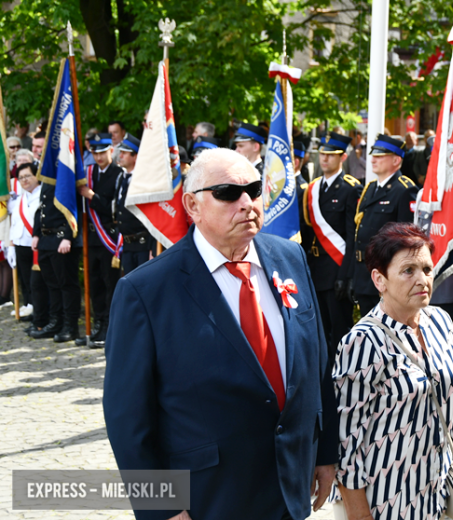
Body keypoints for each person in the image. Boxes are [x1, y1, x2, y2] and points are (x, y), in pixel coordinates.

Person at [103, 147, 338, 520]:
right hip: (209, 499)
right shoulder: (146, 291)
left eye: (255, 190)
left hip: (290, 487)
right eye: (228, 193)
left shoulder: (290, 259)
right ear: (192, 206)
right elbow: (127, 416)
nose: (246, 203)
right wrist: (160, 507)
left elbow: (317, 363)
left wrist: (325, 453)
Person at [334, 222, 453, 520]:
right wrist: (359, 513)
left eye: (427, 269)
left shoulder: (440, 322)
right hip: (385, 498)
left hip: (441, 491)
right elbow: (347, 440)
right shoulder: (362, 342)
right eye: (408, 270)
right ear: (379, 280)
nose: (422, 279)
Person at [301, 132, 362, 358]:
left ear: (342, 158)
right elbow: (307, 236)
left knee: (339, 333)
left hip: (336, 270)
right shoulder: (312, 189)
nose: (324, 159)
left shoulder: (350, 188)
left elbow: (351, 237)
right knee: (318, 332)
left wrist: (346, 276)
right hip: (316, 270)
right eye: (322, 155)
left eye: (330, 155)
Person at [353, 134, 419, 316]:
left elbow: (406, 241)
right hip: (364, 275)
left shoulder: (405, 190)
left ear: (396, 160)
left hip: (386, 278)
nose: (373, 159)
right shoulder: (370, 188)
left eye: (380, 156)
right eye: (373, 154)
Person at [77, 133, 123, 347]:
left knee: (109, 282)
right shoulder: (88, 173)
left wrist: (92, 196)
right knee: (94, 283)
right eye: (95, 153)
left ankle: (109, 326)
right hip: (92, 237)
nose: (99, 157)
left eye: (103, 152)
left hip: (108, 237)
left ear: (111, 151)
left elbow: (113, 209)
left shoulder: (118, 174)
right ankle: (97, 323)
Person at [30, 160, 83, 343]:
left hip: (61, 238)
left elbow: (72, 208)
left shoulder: (66, 174)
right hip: (46, 239)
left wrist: (68, 236)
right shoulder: (48, 175)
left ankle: (70, 326)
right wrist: (36, 233)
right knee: (52, 284)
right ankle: (56, 322)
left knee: (67, 284)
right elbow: (41, 208)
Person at [113, 134, 154, 276]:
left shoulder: (145, 180)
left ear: (136, 156)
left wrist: (152, 248)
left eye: (124, 153)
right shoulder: (121, 177)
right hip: (127, 243)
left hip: (142, 242)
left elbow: (151, 215)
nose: (121, 156)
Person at [9, 162, 41, 322]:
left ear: (36, 176)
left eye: (28, 176)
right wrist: (11, 245)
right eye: (21, 178)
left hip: (36, 244)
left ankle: (40, 310)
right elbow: (15, 223)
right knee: (26, 279)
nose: (24, 180)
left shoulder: (42, 195)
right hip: (21, 242)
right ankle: (30, 306)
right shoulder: (20, 199)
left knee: (37, 281)